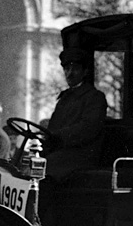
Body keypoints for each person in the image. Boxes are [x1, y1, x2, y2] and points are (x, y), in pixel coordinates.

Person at [44, 47, 108, 183]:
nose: (70, 73)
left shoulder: (95, 97)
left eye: (75, 69)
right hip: (63, 153)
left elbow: (88, 128)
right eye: (67, 69)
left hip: (82, 155)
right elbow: (52, 128)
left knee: (47, 167)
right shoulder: (64, 99)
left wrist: (57, 137)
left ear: (85, 72)